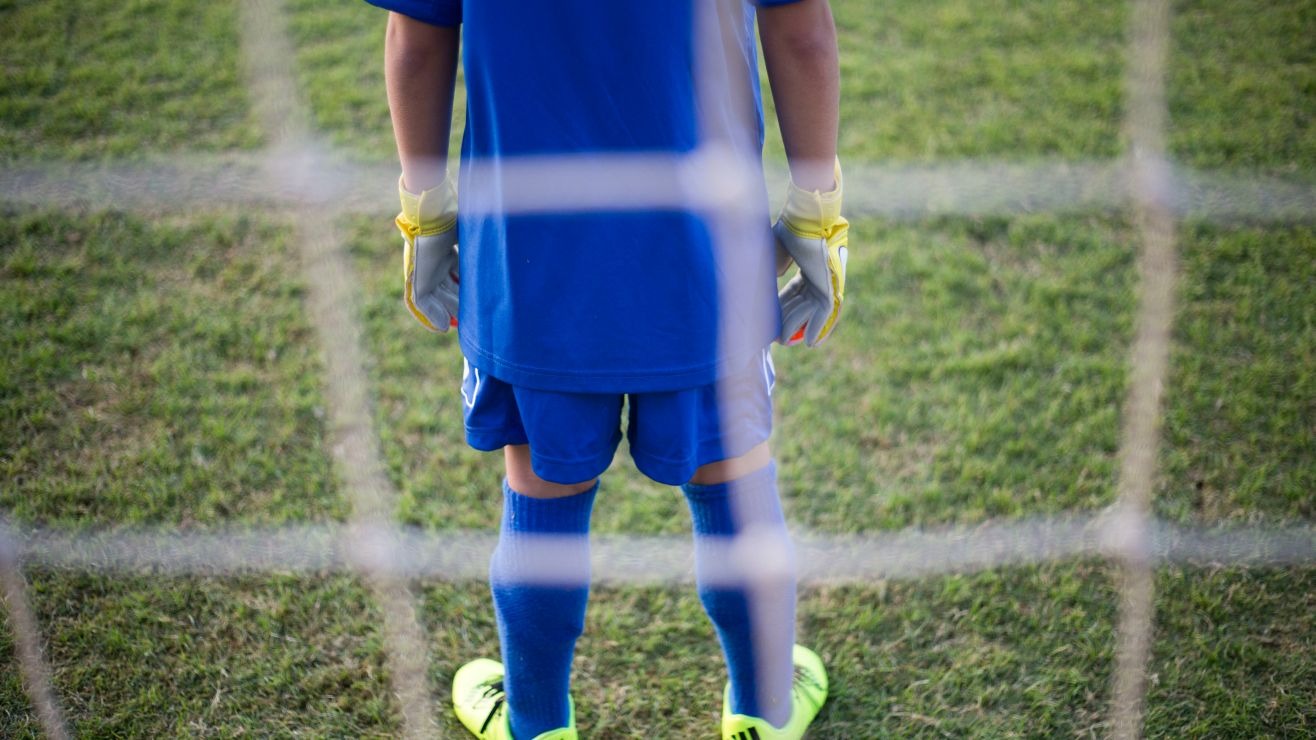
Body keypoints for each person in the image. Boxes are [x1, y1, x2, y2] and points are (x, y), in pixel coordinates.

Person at [369, 0, 848, 737]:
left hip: (533, 259)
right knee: (735, 483)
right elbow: (803, 30)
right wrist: (818, 211)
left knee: (542, 492)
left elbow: (417, 41)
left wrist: (425, 212)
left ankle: (538, 725)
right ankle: (763, 713)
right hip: (702, 253)